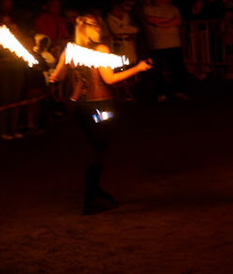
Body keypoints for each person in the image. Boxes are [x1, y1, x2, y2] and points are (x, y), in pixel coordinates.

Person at [41, 14, 152, 214]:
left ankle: (95, 191)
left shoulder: (70, 51)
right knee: (98, 149)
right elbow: (109, 79)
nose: (99, 29)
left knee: (94, 147)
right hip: (100, 106)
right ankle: (91, 198)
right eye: (96, 26)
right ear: (88, 29)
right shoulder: (100, 50)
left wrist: (47, 73)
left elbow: (56, 77)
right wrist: (138, 68)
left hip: (77, 107)